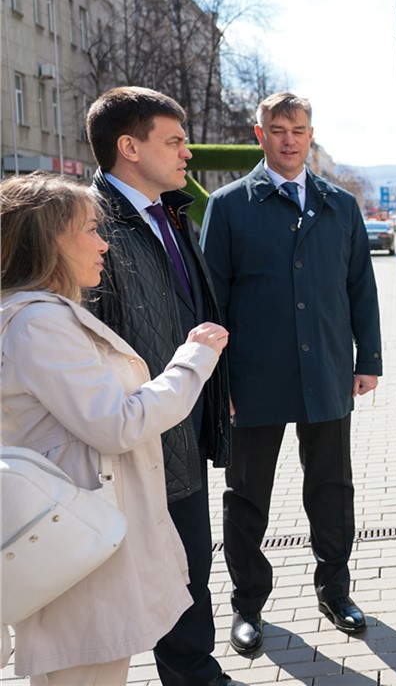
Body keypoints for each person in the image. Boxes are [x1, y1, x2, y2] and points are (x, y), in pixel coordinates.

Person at [0, 173, 229, 686]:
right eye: (89, 229)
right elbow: (119, 424)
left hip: (79, 537)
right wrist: (193, 362)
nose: (104, 243)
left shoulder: (42, 315)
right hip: (76, 543)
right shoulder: (39, 323)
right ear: (50, 240)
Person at [200, 92, 382, 654]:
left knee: (332, 489)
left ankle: (335, 590)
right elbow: (212, 298)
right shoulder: (229, 206)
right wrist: (218, 380)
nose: (289, 140)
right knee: (247, 495)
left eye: (299, 130)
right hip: (254, 378)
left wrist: (367, 359)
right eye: (277, 129)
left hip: (326, 371)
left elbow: (361, 288)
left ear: (309, 134)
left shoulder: (339, 205)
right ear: (260, 134)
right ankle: (248, 605)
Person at [82, 87, 239, 686]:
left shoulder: (168, 212)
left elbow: (190, 308)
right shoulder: (91, 225)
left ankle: (196, 672)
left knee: (190, 565)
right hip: (137, 434)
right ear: (129, 148)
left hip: (183, 420)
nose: (187, 155)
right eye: (173, 141)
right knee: (164, 573)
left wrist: (215, 384)